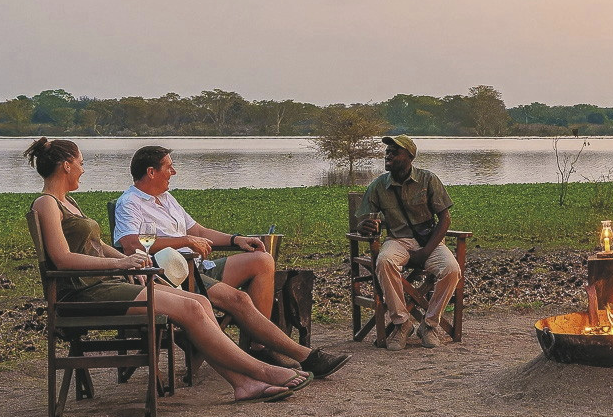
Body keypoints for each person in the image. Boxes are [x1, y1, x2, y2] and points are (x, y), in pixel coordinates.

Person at [24, 137, 312, 404]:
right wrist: (119, 264)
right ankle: (262, 371)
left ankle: (242, 384)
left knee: (199, 302)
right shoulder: (46, 203)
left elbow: (96, 245)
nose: (83, 169)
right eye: (81, 163)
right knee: (193, 308)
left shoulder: (69, 202)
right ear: (66, 165)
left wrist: (131, 260)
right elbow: (62, 259)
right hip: (85, 293)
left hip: (105, 285)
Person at [113, 145, 347, 378]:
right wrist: (185, 241)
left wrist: (236, 239)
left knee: (262, 260)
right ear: (151, 172)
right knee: (239, 299)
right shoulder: (130, 203)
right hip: (172, 277)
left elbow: (199, 231)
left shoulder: (167, 199)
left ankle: (258, 346)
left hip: (199, 268)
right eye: (169, 167)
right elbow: (131, 244)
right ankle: (305, 356)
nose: (174, 172)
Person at [359, 134, 461, 348]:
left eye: (394, 152)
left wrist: (426, 251)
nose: (388, 156)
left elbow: (445, 218)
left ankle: (430, 324)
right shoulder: (378, 186)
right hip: (397, 240)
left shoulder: (428, 179)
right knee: (384, 262)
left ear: (410, 157)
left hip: (428, 241)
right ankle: (402, 323)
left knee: (452, 270)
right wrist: (364, 227)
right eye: (387, 152)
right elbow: (365, 220)